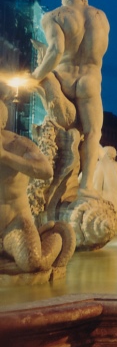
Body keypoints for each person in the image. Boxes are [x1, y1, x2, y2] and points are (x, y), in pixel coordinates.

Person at [30, 0, 109, 198]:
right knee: (93, 132)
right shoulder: (100, 17)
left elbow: (55, 51)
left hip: (63, 79)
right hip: (90, 81)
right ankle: (86, 188)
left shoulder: (54, 16)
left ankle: (51, 187)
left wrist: (36, 75)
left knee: (57, 130)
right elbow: (100, 52)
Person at [0, 101, 61, 272]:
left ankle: (54, 239)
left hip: (15, 222)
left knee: (33, 262)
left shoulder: (18, 144)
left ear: (3, 122)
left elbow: (46, 170)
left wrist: (5, 157)